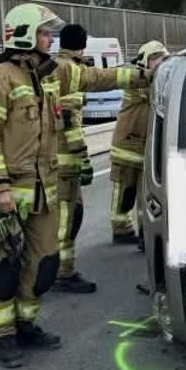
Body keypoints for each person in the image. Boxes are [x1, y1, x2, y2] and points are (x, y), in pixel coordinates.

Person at [0, 2, 66, 368]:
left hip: (43, 196)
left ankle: (26, 324)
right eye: (46, 33)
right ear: (27, 35)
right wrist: (0, 188)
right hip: (6, 196)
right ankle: (1, 335)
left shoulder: (44, 77)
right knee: (4, 271)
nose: (51, 39)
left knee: (42, 265)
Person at [50, 24, 150, 294]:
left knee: (61, 217)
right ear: (81, 46)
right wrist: (83, 160)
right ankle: (63, 272)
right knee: (68, 219)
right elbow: (69, 121)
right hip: (64, 162)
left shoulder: (56, 65)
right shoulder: (68, 70)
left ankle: (54, 269)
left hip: (52, 161)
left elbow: (102, 77)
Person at [109, 40, 168, 250]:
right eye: (155, 59)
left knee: (146, 195)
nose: (159, 63)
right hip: (126, 147)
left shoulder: (157, 81)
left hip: (145, 149)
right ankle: (120, 228)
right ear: (145, 61)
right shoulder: (137, 81)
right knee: (124, 192)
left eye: (161, 58)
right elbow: (154, 93)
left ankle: (146, 232)